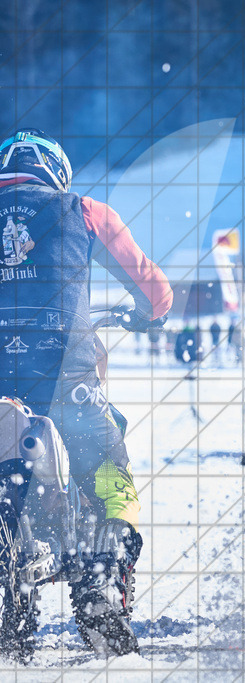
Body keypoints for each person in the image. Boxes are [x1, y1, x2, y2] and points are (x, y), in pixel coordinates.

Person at [0, 128, 173, 654]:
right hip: (66, 380)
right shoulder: (84, 210)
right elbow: (154, 288)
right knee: (111, 475)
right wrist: (149, 314)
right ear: (55, 171)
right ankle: (101, 578)